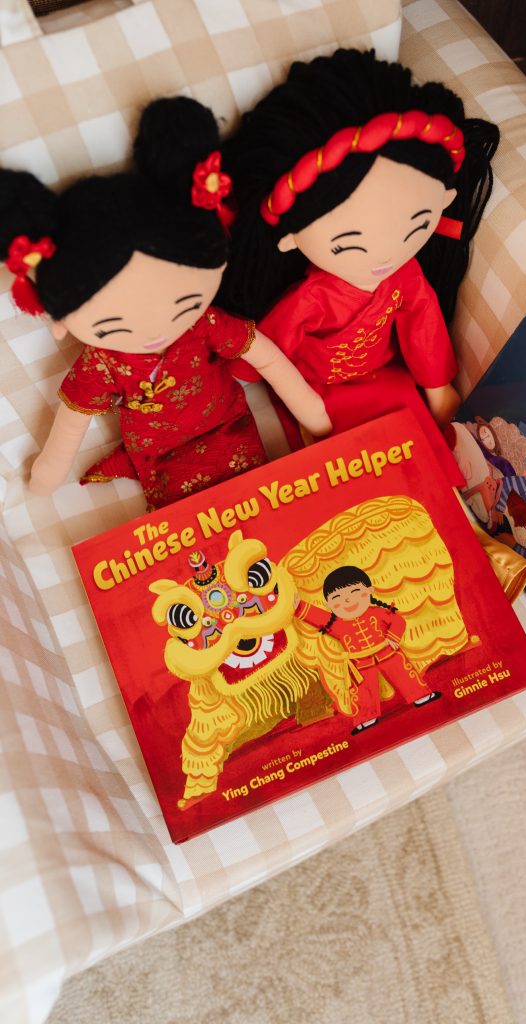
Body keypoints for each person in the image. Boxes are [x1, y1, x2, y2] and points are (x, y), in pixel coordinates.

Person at [0, 97, 330, 509]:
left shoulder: (205, 323)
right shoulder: (103, 362)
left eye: (182, 303)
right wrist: (50, 471)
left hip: (228, 425)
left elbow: (267, 359)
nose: (156, 326)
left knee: (258, 498)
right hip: (158, 454)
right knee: (184, 528)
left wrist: (310, 412)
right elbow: (71, 423)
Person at [218, 48, 499, 483]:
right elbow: (275, 341)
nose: (386, 256)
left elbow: (421, 321)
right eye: (350, 245)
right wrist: (240, 370)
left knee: (427, 458)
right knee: (350, 470)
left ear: (445, 201)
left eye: (416, 228)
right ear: (290, 239)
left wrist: (437, 386)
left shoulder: (404, 275)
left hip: (388, 374)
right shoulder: (314, 296)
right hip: (318, 389)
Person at [295, 565, 440, 734]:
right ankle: (365, 718)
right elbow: (317, 616)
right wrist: (297, 606)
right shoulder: (337, 624)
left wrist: (393, 637)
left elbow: (398, 621)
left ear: (370, 590)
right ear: (329, 604)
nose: (347, 601)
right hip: (360, 662)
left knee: (405, 674)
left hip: (387, 652)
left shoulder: (378, 612)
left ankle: (421, 695)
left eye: (355, 591)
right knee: (362, 691)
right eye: (337, 597)